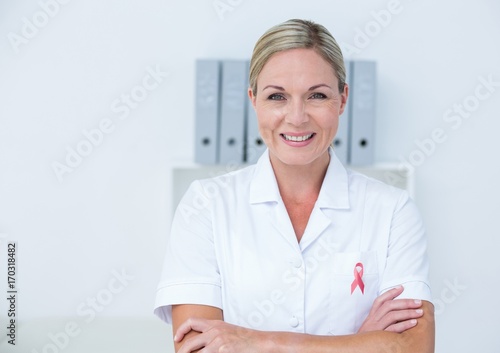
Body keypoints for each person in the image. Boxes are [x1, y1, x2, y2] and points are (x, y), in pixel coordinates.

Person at [154, 19, 435, 353]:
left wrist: (253, 340)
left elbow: (414, 348)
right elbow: (197, 349)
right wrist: (359, 342)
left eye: (317, 95)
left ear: (342, 100)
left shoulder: (392, 210)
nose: (297, 117)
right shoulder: (206, 204)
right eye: (277, 97)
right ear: (253, 100)